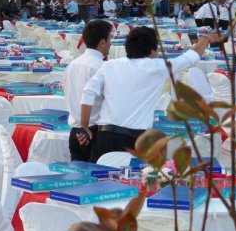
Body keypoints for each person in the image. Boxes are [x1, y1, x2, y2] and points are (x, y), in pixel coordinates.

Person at [80, 27, 221, 162]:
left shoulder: (109, 66)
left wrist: (84, 125)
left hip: (105, 136)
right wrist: (206, 39)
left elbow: (88, 92)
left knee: (98, 182)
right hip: (135, 140)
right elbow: (191, 56)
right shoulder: (157, 67)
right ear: (152, 50)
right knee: (133, 184)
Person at [63, 20, 113, 161]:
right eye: (110, 39)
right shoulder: (102, 68)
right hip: (95, 133)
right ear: (102, 43)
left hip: (75, 132)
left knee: (77, 180)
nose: (111, 43)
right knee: (97, 181)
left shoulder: (72, 65)